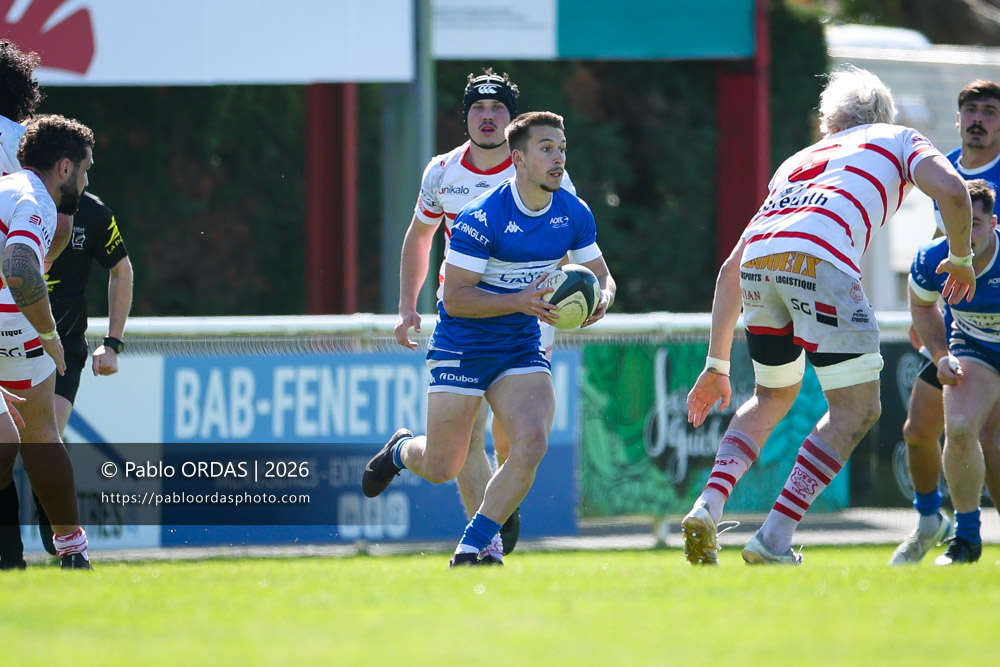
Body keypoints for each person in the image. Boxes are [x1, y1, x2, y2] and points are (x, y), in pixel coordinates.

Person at [681, 66, 976, 566]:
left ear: (828, 124)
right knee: (856, 410)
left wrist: (717, 364)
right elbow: (953, 189)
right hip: (820, 260)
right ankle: (774, 537)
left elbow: (731, 268)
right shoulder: (898, 138)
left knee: (771, 396)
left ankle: (707, 504)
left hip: (760, 265)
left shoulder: (797, 161)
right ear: (883, 116)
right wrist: (962, 258)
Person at [366, 111, 615, 566]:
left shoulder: (573, 211)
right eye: (546, 149)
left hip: (519, 341)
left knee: (531, 442)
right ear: (518, 159)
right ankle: (401, 449)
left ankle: (474, 545)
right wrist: (521, 299)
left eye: (561, 148)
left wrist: (603, 297)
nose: (558, 158)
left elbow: (600, 273)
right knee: (443, 465)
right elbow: (457, 298)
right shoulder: (481, 217)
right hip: (464, 340)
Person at [395, 69, 574, 559]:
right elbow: (420, 237)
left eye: (498, 108)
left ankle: (497, 500)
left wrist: (575, 293)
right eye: (478, 107)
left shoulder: (543, 167)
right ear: (466, 116)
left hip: (528, 320)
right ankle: (486, 543)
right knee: (462, 444)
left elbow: (568, 243)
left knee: (515, 439)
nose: (488, 116)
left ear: (513, 120)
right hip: (468, 319)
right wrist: (407, 306)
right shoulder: (442, 172)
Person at [889, 80, 1000, 565]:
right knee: (920, 431)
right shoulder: (945, 171)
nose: (978, 119)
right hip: (966, 330)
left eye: (990, 111)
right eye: (971, 110)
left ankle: (971, 534)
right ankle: (933, 519)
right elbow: (944, 242)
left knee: (988, 437)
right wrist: (932, 325)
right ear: (957, 118)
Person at [0, 113, 96, 570]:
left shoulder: (9, 187)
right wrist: (49, 334)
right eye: (86, 169)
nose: (86, 180)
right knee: (39, 432)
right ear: (65, 167)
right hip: (10, 322)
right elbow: (19, 268)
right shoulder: (36, 200)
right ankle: (73, 551)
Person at [908, 178, 1000, 565]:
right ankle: (966, 540)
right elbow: (922, 305)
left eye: (974, 224)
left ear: (992, 223)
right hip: (975, 347)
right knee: (959, 427)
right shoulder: (931, 258)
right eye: (955, 222)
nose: (964, 233)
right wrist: (940, 354)